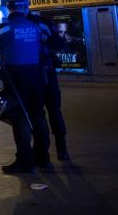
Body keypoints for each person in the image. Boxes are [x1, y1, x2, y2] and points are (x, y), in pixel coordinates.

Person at [0, 0, 51, 174]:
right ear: (26, 7)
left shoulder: (5, 28)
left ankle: (25, 161)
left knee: (20, 118)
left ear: (9, 7)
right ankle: (43, 158)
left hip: (16, 79)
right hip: (38, 77)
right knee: (38, 115)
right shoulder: (36, 26)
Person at [29, 13, 70, 161]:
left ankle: (42, 151)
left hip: (34, 75)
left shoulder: (23, 25)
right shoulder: (43, 23)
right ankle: (61, 150)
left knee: (37, 114)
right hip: (47, 72)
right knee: (54, 112)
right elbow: (59, 44)